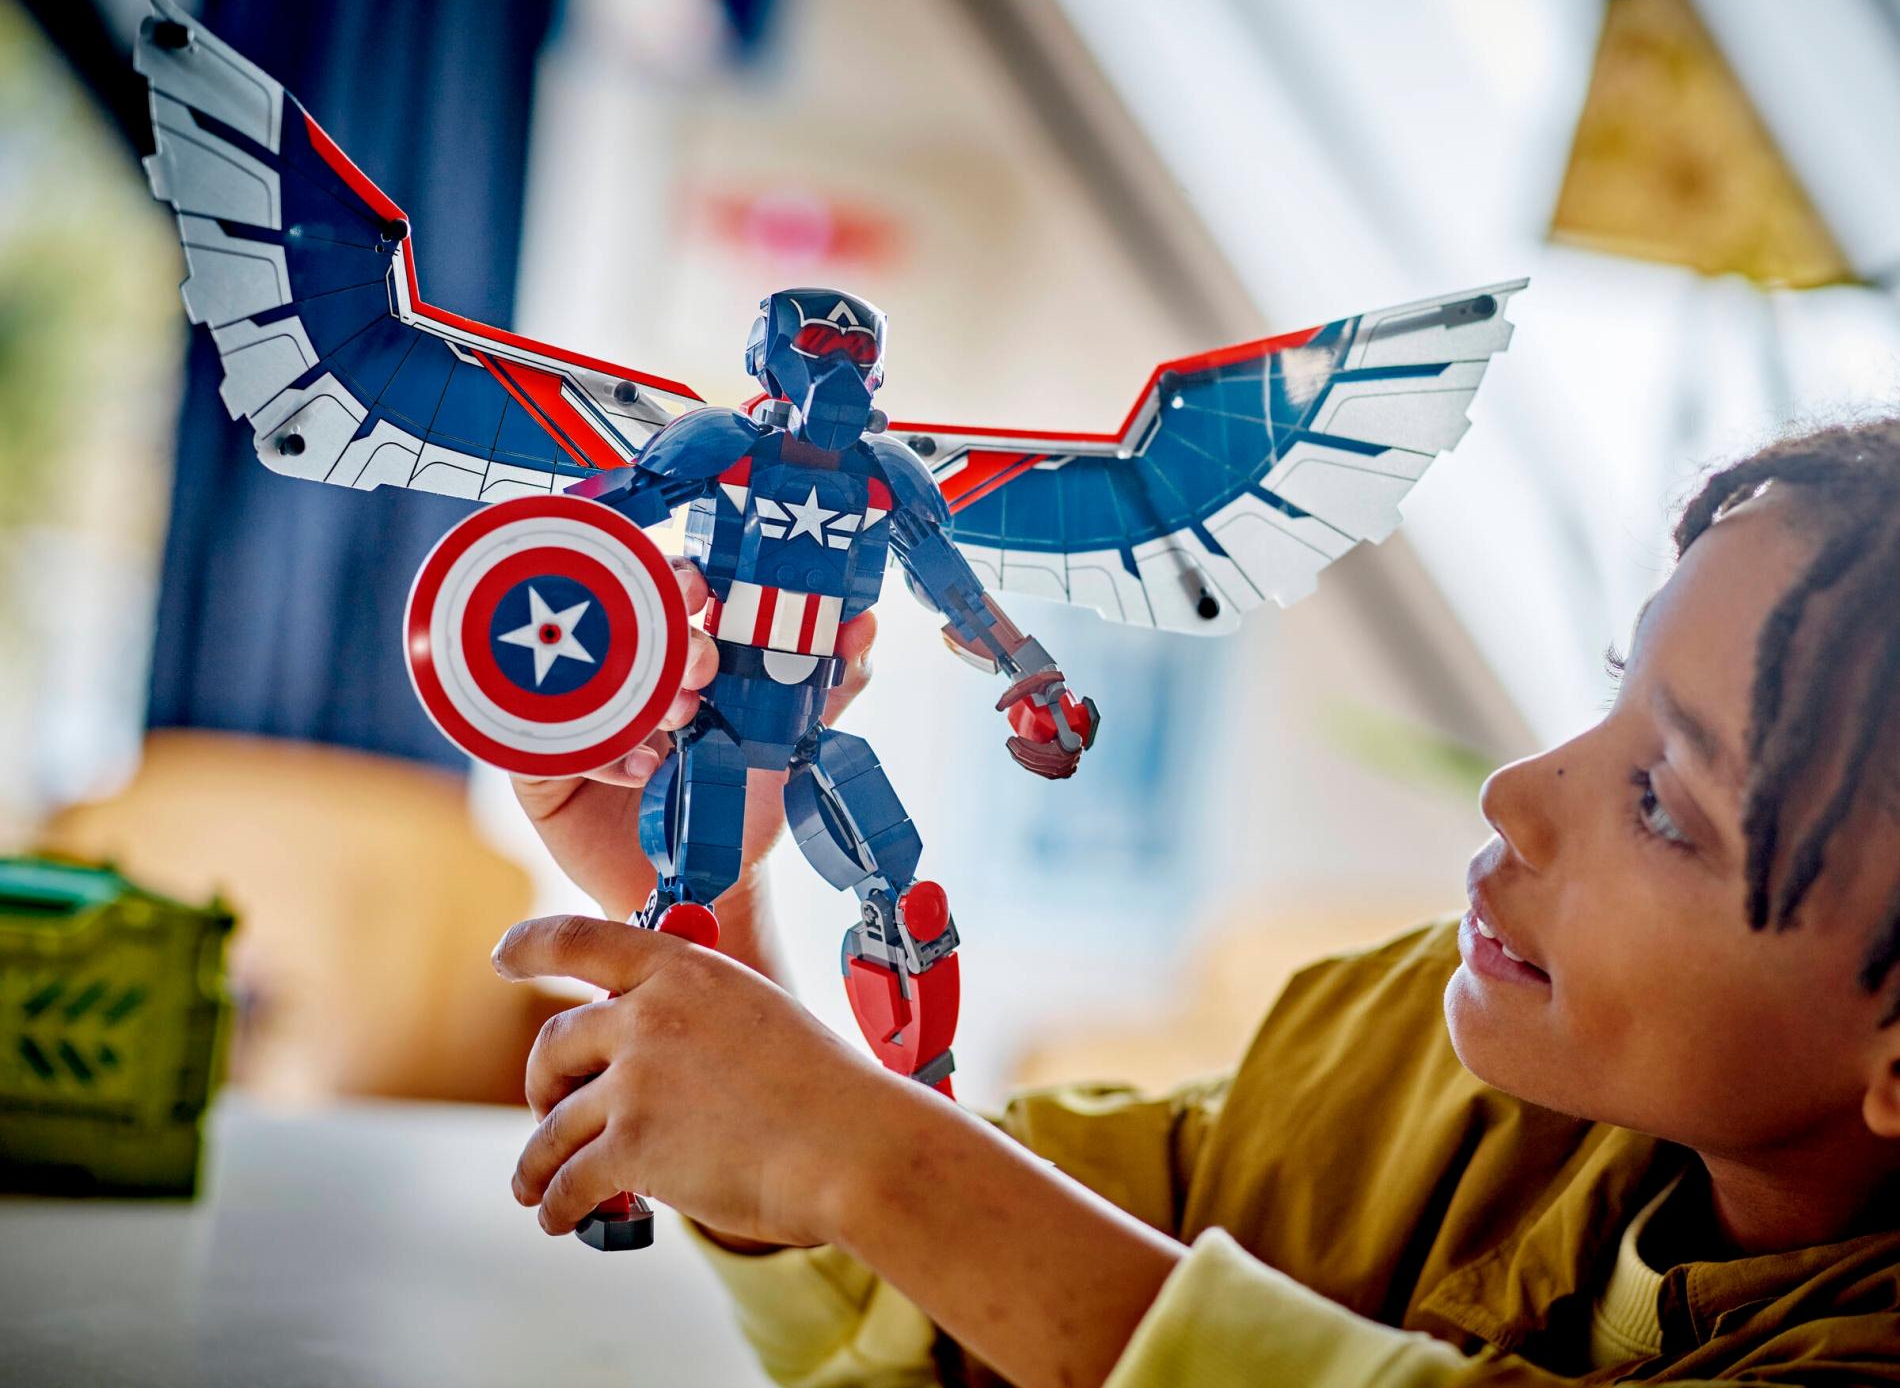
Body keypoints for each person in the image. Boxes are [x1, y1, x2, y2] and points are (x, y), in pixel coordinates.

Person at [494, 421, 1900, 1387]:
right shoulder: (1408, 1048)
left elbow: (914, 1197)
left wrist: (859, 1150)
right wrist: (711, 908)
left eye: (1665, 803)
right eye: (1611, 691)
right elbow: (963, 1286)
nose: (1517, 792)